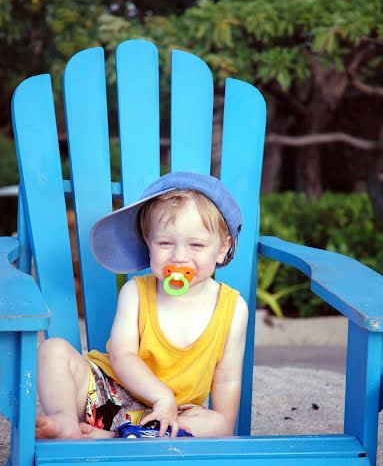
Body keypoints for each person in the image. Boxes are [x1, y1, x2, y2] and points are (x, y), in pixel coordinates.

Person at [35, 171, 248, 440]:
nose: (179, 256)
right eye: (165, 243)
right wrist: (161, 396)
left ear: (222, 248)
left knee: (215, 423)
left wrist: (223, 431)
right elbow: (122, 356)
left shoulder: (233, 309)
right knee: (52, 350)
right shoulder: (135, 292)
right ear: (148, 242)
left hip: (175, 417)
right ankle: (65, 422)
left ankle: (117, 439)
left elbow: (228, 380)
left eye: (196, 245)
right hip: (108, 396)